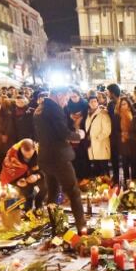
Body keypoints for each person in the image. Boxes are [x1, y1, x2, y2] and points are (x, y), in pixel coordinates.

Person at [34, 87, 86, 232]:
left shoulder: (40, 108)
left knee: (53, 192)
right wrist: (79, 135)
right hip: (59, 158)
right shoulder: (54, 109)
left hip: (45, 157)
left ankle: (55, 225)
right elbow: (63, 133)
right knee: (73, 192)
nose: (66, 102)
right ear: (59, 95)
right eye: (66, 98)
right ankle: (81, 226)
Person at [0, 139, 43, 211]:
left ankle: (39, 206)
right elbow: (8, 173)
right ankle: (27, 209)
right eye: (25, 155)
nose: (27, 157)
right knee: (24, 191)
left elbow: (46, 169)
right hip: (22, 180)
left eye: (29, 155)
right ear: (21, 149)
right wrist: (17, 181)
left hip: (36, 176)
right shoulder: (13, 157)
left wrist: (37, 176)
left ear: (34, 149)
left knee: (44, 184)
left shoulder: (40, 153)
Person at [85, 95, 112, 177]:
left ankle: (107, 183)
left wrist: (98, 138)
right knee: (96, 168)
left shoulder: (103, 113)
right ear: (88, 103)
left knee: (104, 168)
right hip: (92, 146)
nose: (93, 103)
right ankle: (98, 184)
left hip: (101, 144)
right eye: (91, 102)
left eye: (95, 101)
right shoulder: (88, 114)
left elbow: (107, 130)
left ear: (98, 102)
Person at [115, 98, 136, 183]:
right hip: (123, 142)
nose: (123, 106)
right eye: (121, 104)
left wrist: (129, 134)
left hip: (133, 141)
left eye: (125, 104)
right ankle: (126, 181)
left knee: (134, 162)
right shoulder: (117, 116)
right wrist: (122, 134)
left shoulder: (134, 114)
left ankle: (134, 181)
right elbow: (115, 129)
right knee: (125, 162)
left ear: (128, 104)